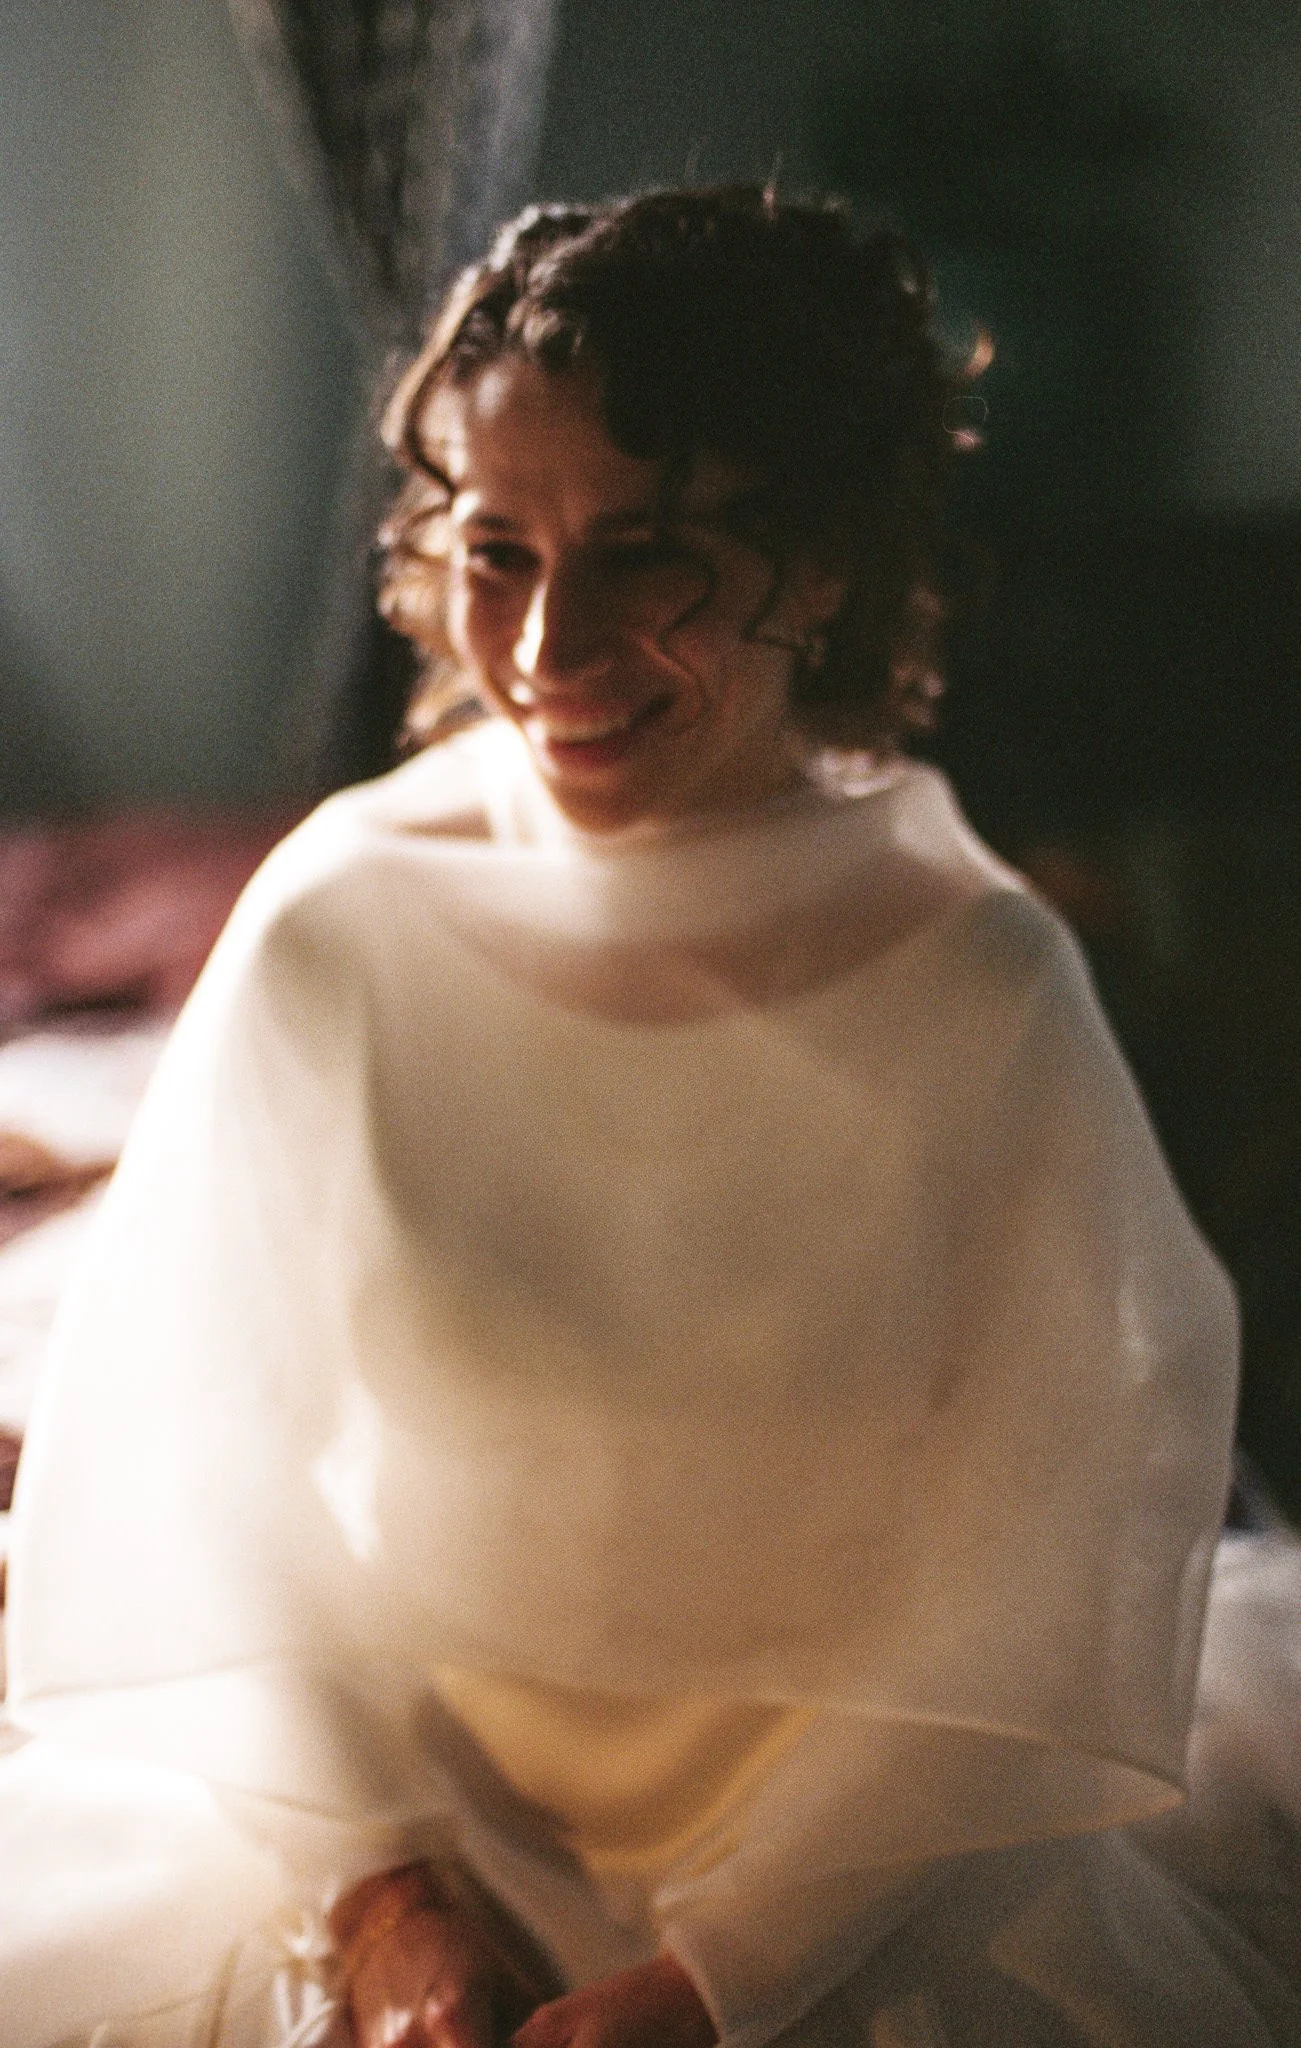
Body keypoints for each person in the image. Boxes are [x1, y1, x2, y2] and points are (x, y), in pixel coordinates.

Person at [2, 187, 1299, 2048]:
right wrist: (384, 1911)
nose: (548, 647)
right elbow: (206, 1483)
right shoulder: (338, 925)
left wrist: (725, 1978)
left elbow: (1034, 1572)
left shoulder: (979, 987)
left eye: (650, 555)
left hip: (855, 1887)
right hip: (392, 1828)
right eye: (498, 549)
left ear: (824, 563)